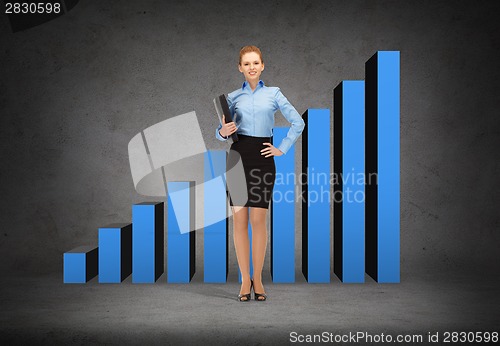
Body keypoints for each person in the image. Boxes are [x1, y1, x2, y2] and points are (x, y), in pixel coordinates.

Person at [215, 45, 305, 301]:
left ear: (262, 65)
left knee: (258, 221)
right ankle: (245, 280)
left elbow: (298, 122)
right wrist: (221, 133)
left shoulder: (274, 94)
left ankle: (259, 279)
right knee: (240, 221)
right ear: (240, 68)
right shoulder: (231, 98)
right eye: (247, 63)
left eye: (256, 62)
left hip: (263, 159)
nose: (252, 67)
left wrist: (282, 148)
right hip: (237, 157)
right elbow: (220, 131)